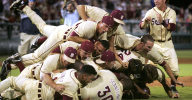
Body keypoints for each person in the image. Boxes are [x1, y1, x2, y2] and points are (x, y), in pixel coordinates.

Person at [1, 0, 113, 75]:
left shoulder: (93, 25)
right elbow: (71, 38)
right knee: (37, 57)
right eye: (106, 26)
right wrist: (87, 41)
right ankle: (11, 62)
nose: (106, 29)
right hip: (62, 37)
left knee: (42, 26)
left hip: (63, 29)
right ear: (101, 22)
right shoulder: (90, 26)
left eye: (109, 28)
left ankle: (23, 7)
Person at [139, 0, 181, 93]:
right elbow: (141, 26)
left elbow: (172, 27)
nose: (156, 1)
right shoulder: (150, 12)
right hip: (154, 44)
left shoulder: (171, 12)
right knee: (149, 68)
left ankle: (173, 87)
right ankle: (142, 87)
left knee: (175, 70)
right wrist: (145, 22)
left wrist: (163, 22)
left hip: (167, 44)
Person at [114, 34, 185, 87]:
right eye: (148, 47)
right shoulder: (127, 40)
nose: (150, 49)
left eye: (151, 47)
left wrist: (174, 80)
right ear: (141, 44)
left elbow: (165, 65)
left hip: (135, 60)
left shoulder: (152, 52)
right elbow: (111, 45)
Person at [0, 41, 94, 81]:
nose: (87, 56)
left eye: (88, 54)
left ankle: (10, 65)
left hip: (49, 66)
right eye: (85, 53)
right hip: (45, 64)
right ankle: (17, 62)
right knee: (36, 60)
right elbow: (43, 76)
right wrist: (58, 69)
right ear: (80, 49)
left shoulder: (73, 59)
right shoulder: (69, 46)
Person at [0, 65, 97, 100]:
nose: (91, 81)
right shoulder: (73, 86)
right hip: (38, 97)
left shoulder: (71, 71)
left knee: (11, 80)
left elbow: (45, 75)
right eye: (90, 78)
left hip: (34, 84)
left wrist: (54, 85)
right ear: (84, 76)